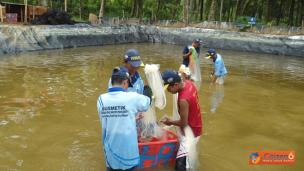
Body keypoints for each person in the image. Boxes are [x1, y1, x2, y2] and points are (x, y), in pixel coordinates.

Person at [97, 67, 150, 171]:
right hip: (128, 154)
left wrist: (132, 118)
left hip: (110, 154)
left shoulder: (101, 99)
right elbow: (147, 103)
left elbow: (112, 120)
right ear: (125, 82)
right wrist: (148, 90)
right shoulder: (132, 97)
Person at [160, 70, 202, 171]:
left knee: (180, 166)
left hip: (190, 132)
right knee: (187, 162)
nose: (168, 91)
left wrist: (169, 122)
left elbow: (184, 123)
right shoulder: (189, 83)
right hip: (197, 126)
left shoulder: (183, 99)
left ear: (176, 84)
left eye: (169, 88)